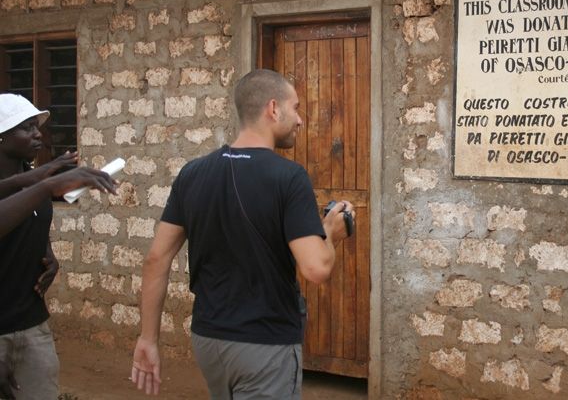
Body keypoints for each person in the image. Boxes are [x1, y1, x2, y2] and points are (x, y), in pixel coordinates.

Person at [131, 69, 354, 398]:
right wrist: (331, 234)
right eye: (296, 108)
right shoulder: (289, 177)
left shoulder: (192, 174)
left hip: (209, 341)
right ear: (273, 109)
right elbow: (316, 268)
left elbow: (156, 258)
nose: (300, 120)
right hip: (264, 345)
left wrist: (147, 338)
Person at [0, 93, 117, 400]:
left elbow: (32, 221)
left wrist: (47, 253)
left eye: (36, 126)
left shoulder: (28, 175)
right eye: (26, 127)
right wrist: (46, 184)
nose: (38, 133)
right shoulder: (32, 182)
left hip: (30, 323)